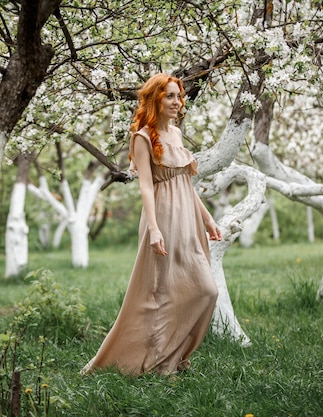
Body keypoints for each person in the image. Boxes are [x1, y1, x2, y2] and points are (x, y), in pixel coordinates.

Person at [80, 73, 221, 376]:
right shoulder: (142, 137)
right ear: (155, 98)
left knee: (206, 290)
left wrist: (208, 219)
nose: (177, 102)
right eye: (170, 96)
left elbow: (185, 182)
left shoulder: (177, 134)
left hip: (188, 218)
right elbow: (146, 185)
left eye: (178, 96)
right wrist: (154, 228)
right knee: (162, 294)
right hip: (164, 217)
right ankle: (159, 363)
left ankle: (177, 355)